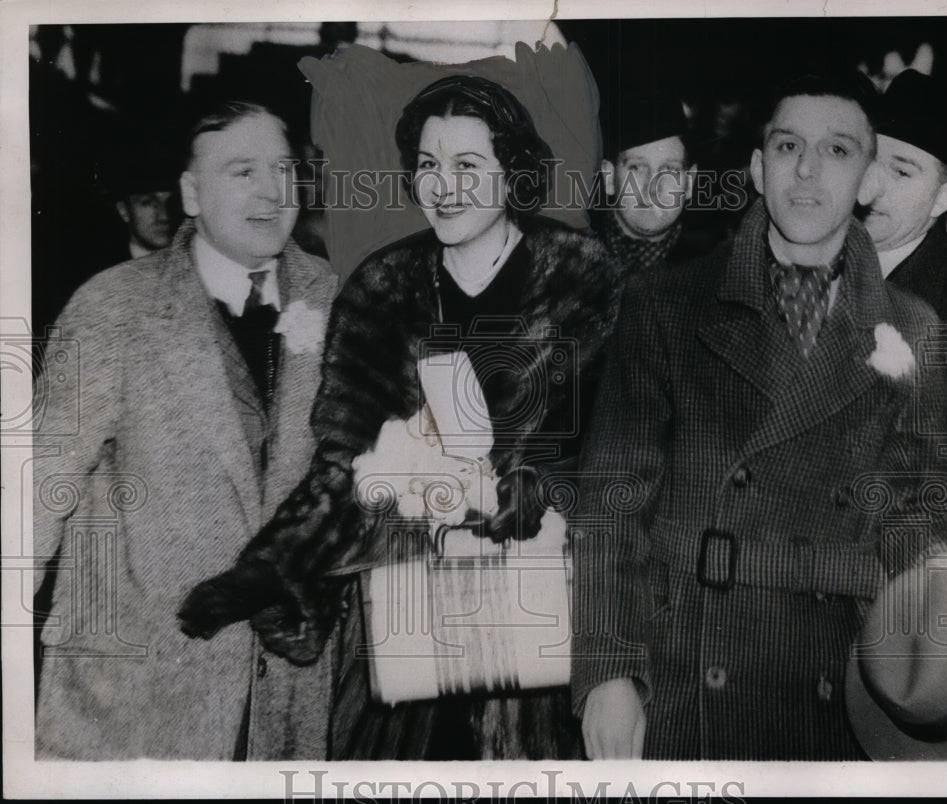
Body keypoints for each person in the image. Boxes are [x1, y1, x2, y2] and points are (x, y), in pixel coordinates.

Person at [179, 76, 619, 760]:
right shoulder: (382, 288)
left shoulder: (583, 280)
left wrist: (534, 491)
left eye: (468, 166)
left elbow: (623, 455)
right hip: (413, 629)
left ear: (515, 172)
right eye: (429, 166)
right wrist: (274, 566)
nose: (445, 186)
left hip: (549, 630)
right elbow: (342, 463)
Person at [571, 74, 947, 760]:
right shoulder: (665, 304)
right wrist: (609, 668)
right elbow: (614, 500)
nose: (809, 171)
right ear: (758, 168)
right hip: (685, 664)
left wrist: (940, 624)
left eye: (839, 151)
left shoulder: (914, 327)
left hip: (841, 674)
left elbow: (916, 505)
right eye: (789, 146)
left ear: (869, 178)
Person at [33, 101, 340, 760]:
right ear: (191, 193)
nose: (271, 190)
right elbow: (33, 492)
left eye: (283, 169)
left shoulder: (336, 298)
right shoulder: (112, 305)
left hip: (284, 707)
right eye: (242, 171)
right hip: (134, 703)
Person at [862, 69, 947, 525]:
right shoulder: (812, 262)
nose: (872, 186)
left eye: (901, 170)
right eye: (869, 161)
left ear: (942, 198)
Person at [594, 81, 698, 276]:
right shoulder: (561, 261)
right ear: (609, 178)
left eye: (670, 170)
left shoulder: (719, 272)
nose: (652, 189)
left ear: (689, 183)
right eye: (637, 168)